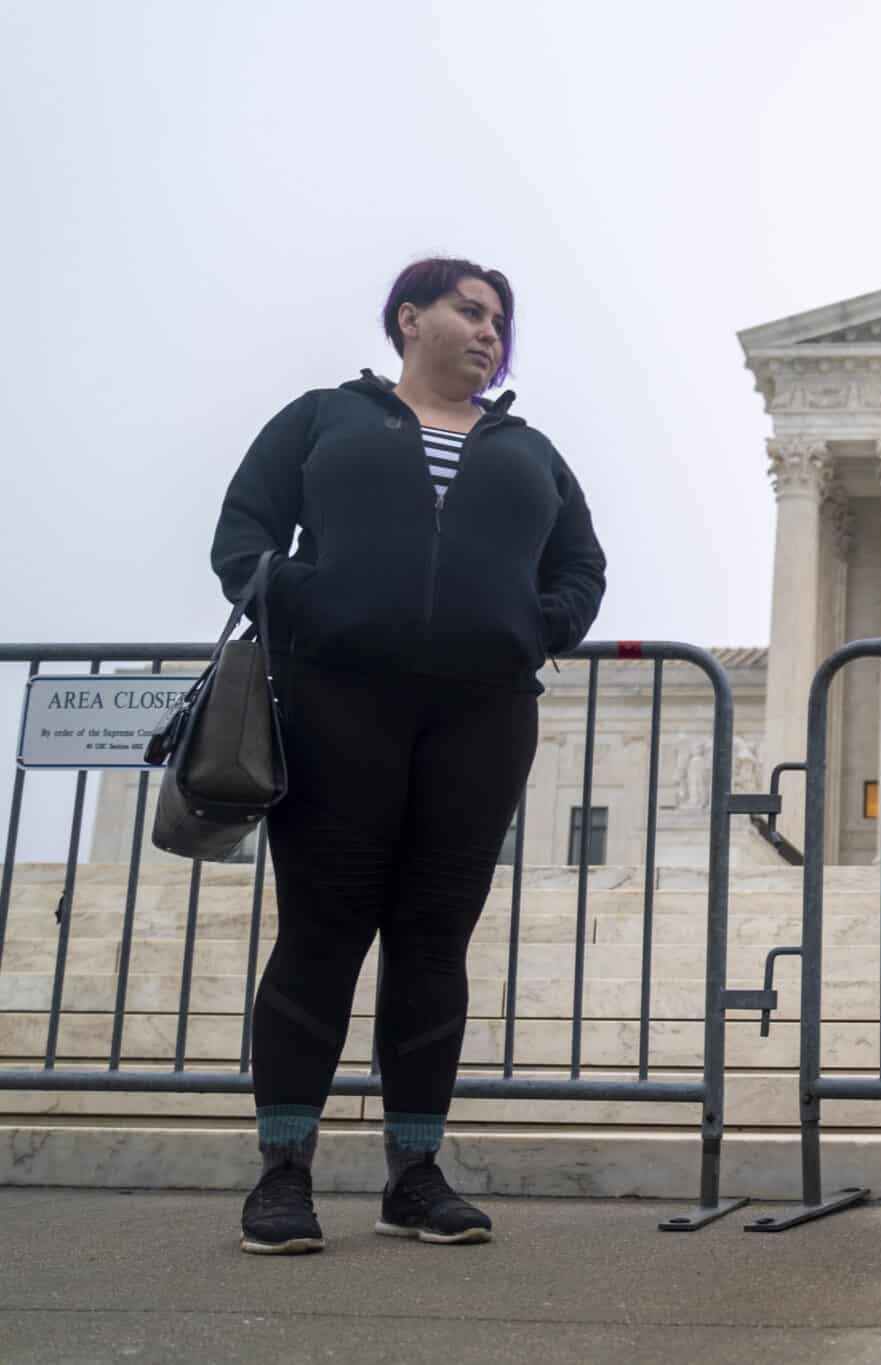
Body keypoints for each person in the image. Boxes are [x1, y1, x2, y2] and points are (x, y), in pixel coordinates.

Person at [210, 258, 606, 1254]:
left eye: (500, 322)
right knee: (320, 933)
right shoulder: (324, 421)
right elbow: (242, 538)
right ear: (408, 318)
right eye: (470, 312)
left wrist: (531, 627)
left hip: (480, 714)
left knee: (434, 943)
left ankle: (414, 1173)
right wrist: (318, 603)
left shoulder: (529, 450)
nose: (489, 333)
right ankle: (284, 1174)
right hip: (336, 700)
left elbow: (581, 566)